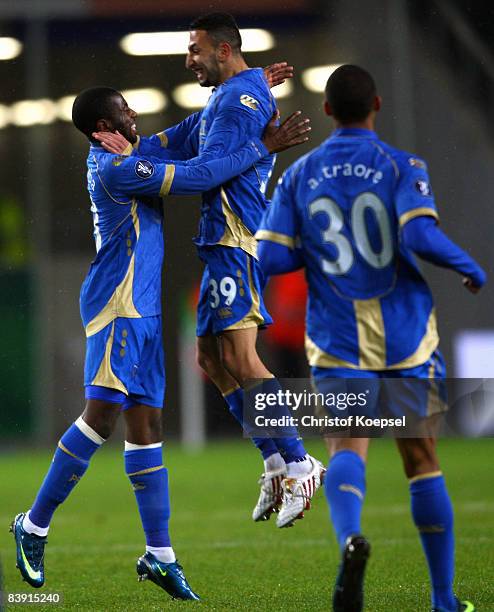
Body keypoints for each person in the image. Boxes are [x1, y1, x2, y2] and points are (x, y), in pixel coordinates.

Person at [10, 85, 310, 601]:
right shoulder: (115, 169)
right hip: (117, 307)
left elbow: (189, 133)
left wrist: (240, 89)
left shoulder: (133, 151)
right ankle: (33, 527)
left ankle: (160, 555)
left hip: (144, 308)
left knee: (146, 427)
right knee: (100, 415)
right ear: (104, 129)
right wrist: (265, 145)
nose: (135, 115)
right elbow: (198, 176)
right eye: (125, 110)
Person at [256, 64, 483, 612]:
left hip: (337, 337)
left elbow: (270, 255)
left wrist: (303, 256)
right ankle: (444, 600)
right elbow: (419, 234)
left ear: (328, 111)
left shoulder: (300, 174)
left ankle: (350, 540)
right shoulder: (401, 165)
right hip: (405, 334)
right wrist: (467, 265)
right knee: (422, 458)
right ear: (376, 104)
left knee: (346, 446)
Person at [95, 12, 325, 529]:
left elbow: (205, 173)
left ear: (223, 50)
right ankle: (272, 463)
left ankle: (299, 461)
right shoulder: (231, 96)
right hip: (218, 242)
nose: (187, 60)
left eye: (195, 50)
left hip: (235, 239)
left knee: (243, 359)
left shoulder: (239, 100)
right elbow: (181, 138)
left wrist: (262, 143)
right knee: (210, 358)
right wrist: (132, 148)